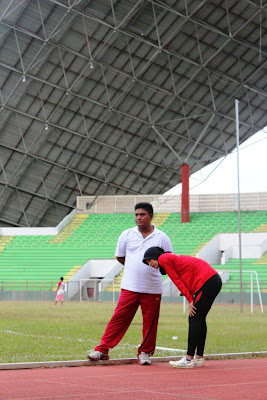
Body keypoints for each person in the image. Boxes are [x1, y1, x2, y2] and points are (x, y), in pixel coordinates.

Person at [88, 202, 173, 365]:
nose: (138, 218)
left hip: (153, 288)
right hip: (130, 286)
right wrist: (134, 268)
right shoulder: (126, 234)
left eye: (142, 214)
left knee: (150, 323)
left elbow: (168, 260)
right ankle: (102, 350)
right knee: (118, 319)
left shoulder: (162, 237)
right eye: (136, 215)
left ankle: (145, 353)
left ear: (151, 216)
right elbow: (120, 256)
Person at [142, 247, 222, 368]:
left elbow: (177, 280)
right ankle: (199, 357)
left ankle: (188, 359)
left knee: (194, 318)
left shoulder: (163, 258)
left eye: (149, 260)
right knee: (200, 319)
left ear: (155, 256)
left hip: (206, 281)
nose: (150, 264)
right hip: (213, 280)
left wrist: (190, 300)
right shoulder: (171, 258)